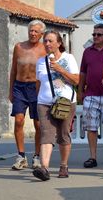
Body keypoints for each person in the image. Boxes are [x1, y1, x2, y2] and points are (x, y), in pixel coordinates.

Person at [32, 30, 79, 181]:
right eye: (45, 41)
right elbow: (39, 83)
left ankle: (63, 165)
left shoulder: (69, 58)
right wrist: (38, 99)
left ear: (59, 43)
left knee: (64, 134)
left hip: (65, 103)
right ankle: (44, 168)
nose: (47, 44)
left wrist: (60, 69)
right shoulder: (40, 61)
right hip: (45, 103)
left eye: (50, 41)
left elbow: (76, 80)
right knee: (46, 134)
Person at [9, 19, 46, 170]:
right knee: (18, 121)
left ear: (41, 34)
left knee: (38, 124)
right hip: (19, 87)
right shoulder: (19, 47)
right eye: (31, 30)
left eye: (36, 31)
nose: (32, 33)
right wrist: (11, 90)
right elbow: (13, 70)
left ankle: (37, 156)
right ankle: (21, 155)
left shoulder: (45, 49)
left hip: (36, 88)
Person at [78, 23, 103, 168]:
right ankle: (92, 157)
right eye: (94, 34)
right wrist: (80, 91)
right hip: (91, 94)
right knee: (91, 127)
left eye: (99, 34)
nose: (95, 37)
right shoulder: (87, 51)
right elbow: (83, 72)